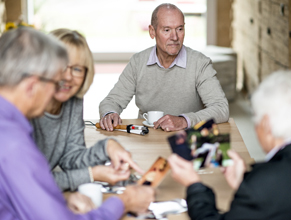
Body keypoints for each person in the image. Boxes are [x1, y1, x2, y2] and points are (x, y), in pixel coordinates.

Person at [0, 27, 154, 219]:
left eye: (76, 69)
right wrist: (123, 203)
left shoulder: (11, 126)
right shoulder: (14, 142)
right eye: (53, 80)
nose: (64, 80)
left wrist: (60, 199)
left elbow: (21, 194)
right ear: (32, 85)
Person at [168, 70, 291, 219]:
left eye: (255, 118)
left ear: (266, 124)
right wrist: (242, 182)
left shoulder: (264, 184)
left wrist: (194, 185)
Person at [31, 28, 143, 192]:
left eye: (77, 69)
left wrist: (107, 147)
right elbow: (30, 181)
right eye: (60, 66)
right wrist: (92, 174)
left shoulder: (72, 100)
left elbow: (70, 158)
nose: (68, 77)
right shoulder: (24, 109)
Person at [99, 3, 229, 132]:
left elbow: (221, 108)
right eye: (167, 30)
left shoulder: (200, 63)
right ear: (152, 31)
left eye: (179, 29)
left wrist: (184, 120)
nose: (175, 37)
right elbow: (112, 101)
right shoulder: (138, 62)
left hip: (187, 139)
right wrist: (109, 114)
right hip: (146, 138)